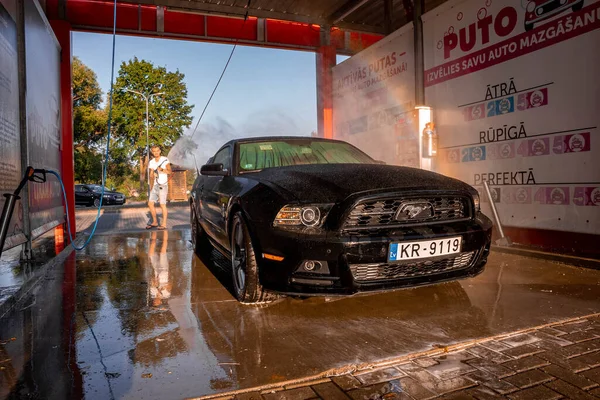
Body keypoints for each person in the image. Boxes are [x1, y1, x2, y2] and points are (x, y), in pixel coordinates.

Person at [147, 145, 172, 230]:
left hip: (163, 185)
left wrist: (161, 170)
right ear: (152, 152)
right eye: (154, 151)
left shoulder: (165, 160)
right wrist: (152, 175)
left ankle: (164, 224)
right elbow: (151, 175)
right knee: (150, 204)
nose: (156, 152)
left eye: (157, 151)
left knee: (162, 204)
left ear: (160, 151)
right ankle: (155, 222)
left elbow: (169, 172)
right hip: (155, 185)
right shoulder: (151, 162)